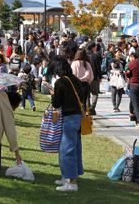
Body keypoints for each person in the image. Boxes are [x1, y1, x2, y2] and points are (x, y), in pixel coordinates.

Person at [48, 56, 84, 192]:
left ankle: (72, 183)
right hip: (79, 117)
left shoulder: (60, 82)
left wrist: (53, 94)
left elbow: (56, 103)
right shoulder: (76, 79)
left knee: (66, 150)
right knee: (75, 148)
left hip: (69, 118)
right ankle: (67, 178)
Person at [86, 42, 102, 115]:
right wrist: (100, 77)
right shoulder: (95, 56)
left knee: (87, 94)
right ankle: (93, 106)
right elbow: (98, 68)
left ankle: (88, 107)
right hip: (94, 77)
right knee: (95, 93)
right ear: (92, 48)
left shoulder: (84, 55)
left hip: (85, 78)